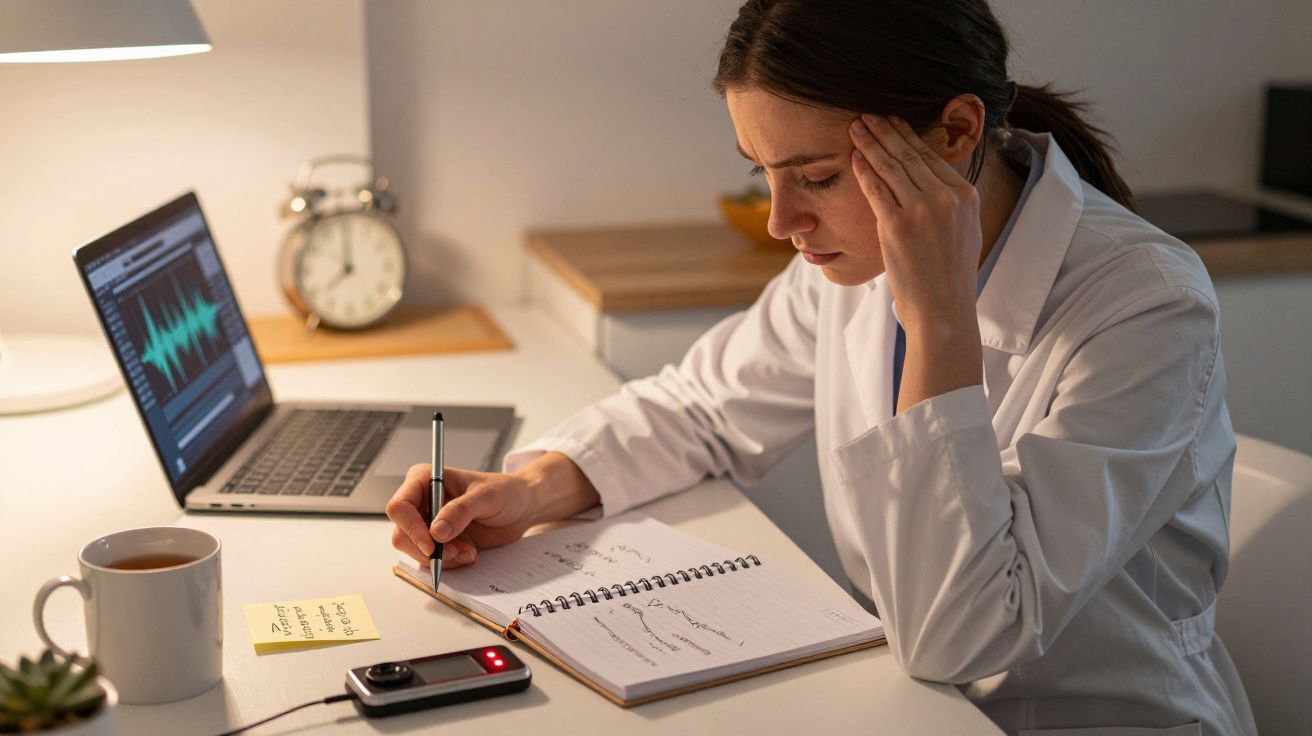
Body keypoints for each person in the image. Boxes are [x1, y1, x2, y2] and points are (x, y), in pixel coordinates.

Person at [387, 1, 1257, 733]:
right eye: (764, 172)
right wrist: (532, 489)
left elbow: (964, 633)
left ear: (955, 132)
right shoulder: (852, 263)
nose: (780, 220)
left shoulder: (1144, 303)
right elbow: (702, 408)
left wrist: (938, 318)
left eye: (814, 175)